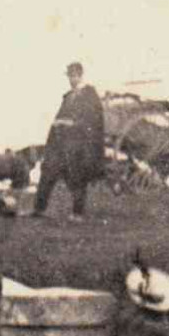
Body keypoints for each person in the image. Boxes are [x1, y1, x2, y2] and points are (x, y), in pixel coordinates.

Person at [32, 61, 105, 220]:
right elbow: (61, 116)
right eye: (69, 76)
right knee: (48, 171)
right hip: (60, 143)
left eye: (73, 76)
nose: (71, 79)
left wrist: (71, 124)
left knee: (77, 176)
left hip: (78, 145)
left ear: (80, 75)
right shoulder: (68, 96)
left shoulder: (89, 95)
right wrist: (58, 124)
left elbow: (93, 120)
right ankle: (39, 209)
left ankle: (77, 213)